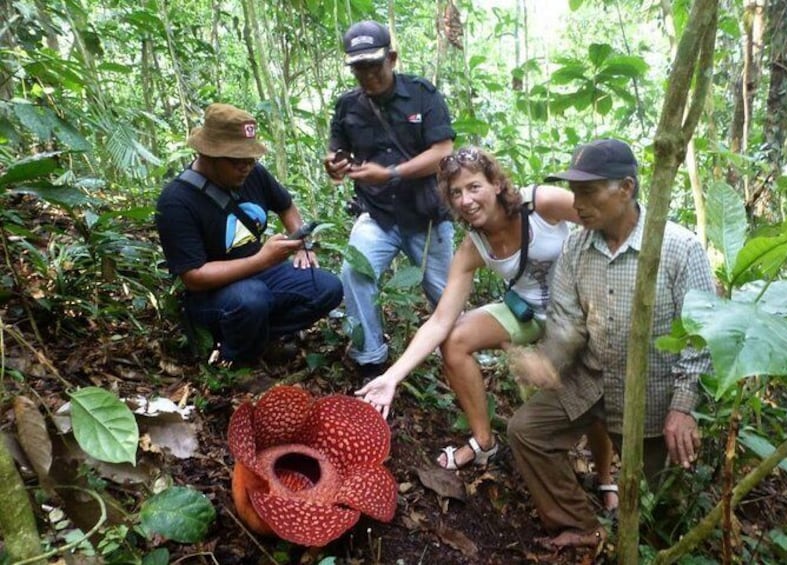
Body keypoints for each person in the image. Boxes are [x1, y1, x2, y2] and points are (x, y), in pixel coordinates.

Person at [355, 148, 618, 507]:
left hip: (577, 316)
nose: (466, 200)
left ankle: (605, 476)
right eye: (456, 193)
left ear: (496, 184)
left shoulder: (542, 203)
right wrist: (392, 376)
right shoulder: (473, 246)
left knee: (590, 391)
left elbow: (604, 220)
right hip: (530, 315)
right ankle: (484, 442)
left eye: (474, 187)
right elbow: (441, 319)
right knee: (455, 339)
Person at [507, 139, 715, 552]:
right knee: (527, 431)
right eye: (574, 191)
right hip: (592, 379)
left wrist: (683, 407)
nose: (577, 203)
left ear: (626, 188)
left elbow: (702, 333)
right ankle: (583, 526)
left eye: (588, 191)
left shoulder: (678, 248)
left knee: (663, 507)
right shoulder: (575, 246)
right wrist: (547, 360)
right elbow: (568, 322)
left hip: (653, 393)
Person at [157, 103, 343, 368]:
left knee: (328, 288)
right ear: (208, 154)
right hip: (212, 294)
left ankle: (262, 337)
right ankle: (236, 360)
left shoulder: (253, 173)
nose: (246, 167)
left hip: (258, 273)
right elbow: (194, 278)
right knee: (251, 299)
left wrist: (302, 244)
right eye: (237, 161)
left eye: (251, 159)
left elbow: (286, 206)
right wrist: (263, 260)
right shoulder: (176, 202)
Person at [324, 20, 455, 379]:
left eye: (373, 65)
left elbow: (443, 152)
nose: (367, 75)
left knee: (444, 292)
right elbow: (338, 149)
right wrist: (335, 165)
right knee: (354, 273)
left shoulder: (422, 95)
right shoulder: (347, 105)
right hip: (377, 213)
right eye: (358, 68)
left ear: (392, 58)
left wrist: (392, 172)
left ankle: (458, 352)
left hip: (426, 214)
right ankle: (371, 359)